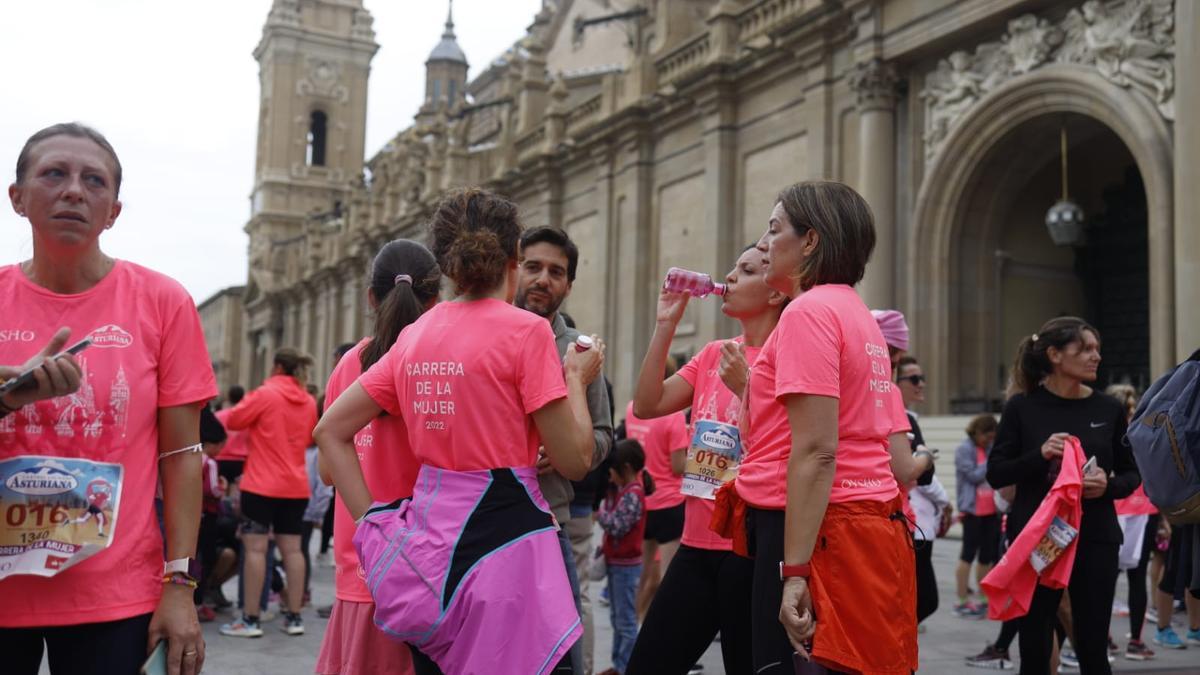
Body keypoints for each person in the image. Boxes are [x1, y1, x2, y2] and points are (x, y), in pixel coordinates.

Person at [316, 187, 604, 675]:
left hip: (426, 553)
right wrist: (576, 379)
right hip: (508, 549)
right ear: (514, 258)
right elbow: (575, 459)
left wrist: (374, 528)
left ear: (448, 264)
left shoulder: (414, 336)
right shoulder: (526, 332)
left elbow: (330, 432)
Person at [0, 122, 216, 675]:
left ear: (113, 211)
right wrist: (6, 397)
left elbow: (182, 457)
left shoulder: (162, 302)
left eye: (93, 180)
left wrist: (180, 584)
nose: (74, 190)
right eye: (54, 174)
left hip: (113, 593)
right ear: (18, 198)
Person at [728, 181, 917, 674]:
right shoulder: (854, 311)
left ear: (810, 241)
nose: (765, 243)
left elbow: (816, 451)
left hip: (824, 526)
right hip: (867, 518)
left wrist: (793, 573)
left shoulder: (809, 312)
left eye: (774, 229)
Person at [625, 245, 786, 674]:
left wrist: (747, 388)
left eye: (746, 271)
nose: (729, 277)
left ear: (774, 292)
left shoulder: (787, 358)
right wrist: (666, 324)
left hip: (750, 552)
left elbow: (790, 446)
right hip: (695, 544)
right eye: (733, 268)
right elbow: (646, 403)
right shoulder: (715, 353)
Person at [986, 317, 1141, 675]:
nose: (1096, 356)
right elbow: (996, 472)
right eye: (1085, 348)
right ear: (1054, 354)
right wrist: (1038, 454)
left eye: (1097, 348)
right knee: (1036, 648)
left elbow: (1133, 473)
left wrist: (1108, 485)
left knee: (1092, 649)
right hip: (1039, 542)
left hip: (1095, 538)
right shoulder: (1022, 407)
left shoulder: (1109, 408)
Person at [314, 239, 441, 675]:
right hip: (428, 570)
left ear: (371, 297)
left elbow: (328, 473)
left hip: (362, 569)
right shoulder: (439, 364)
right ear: (437, 297)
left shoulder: (348, 364)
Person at [515, 226, 615, 675]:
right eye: (533, 267)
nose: (543, 279)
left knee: (560, 643)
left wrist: (561, 451)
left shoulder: (580, 349)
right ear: (512, 269)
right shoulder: (490, 333)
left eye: (556, 272)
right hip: (484, 520)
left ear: (569, 285)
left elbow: (602, 436)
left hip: (551, 518)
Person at [220, 348, 319, 638]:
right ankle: (295, 617)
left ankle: (250, 620)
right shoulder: (309, 400)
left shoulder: (265, 393)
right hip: (296, 486)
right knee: (293, 550)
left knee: (255, 550)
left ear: (276, 366)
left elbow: (235, 420)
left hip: (261, 486)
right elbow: (310, 435)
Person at [622, 373, 689, 618]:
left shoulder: (632, 410)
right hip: (669, 503)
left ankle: (635, 624)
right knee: (667, 576)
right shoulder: (674, 417)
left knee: (640, 571)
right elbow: (678, 466)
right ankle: (664, 631)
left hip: (642, 499)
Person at [597, 439, 654, 675]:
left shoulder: (633, 494)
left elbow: (617, 526)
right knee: (617, 618)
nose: (610, 475)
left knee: (626, 621)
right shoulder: (624, 491)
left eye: (613, 470)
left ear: (627, 468)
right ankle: (618, 664)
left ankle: (624, 666)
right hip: (617, 564)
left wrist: (600, 512)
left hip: (626, 567)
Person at [956, 414, 1000, 617]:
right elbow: (973, 476)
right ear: (977, 432)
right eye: (986, 437)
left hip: (991, 509)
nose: (988, 441)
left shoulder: (990, 448)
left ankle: (984, 597)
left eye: (992, 438)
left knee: (987, 556)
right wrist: (992, 461)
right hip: (973, 510)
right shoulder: (964, 449)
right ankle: (962, 599)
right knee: (968, 554)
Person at [196, 406, 229, 623]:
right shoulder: (210, 462)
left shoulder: (193, 457)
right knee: (204, 557)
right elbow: (212, 490)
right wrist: (223, 487)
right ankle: (200, 601)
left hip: (195, 513)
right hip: (208, 513)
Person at [215, 385, 249, 483]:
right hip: (241, 460)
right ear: (243, 397)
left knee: (221, 489)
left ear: (229, 397)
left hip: (220, 458)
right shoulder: (248, 417)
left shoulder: (218, 416)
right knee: (236, 493)